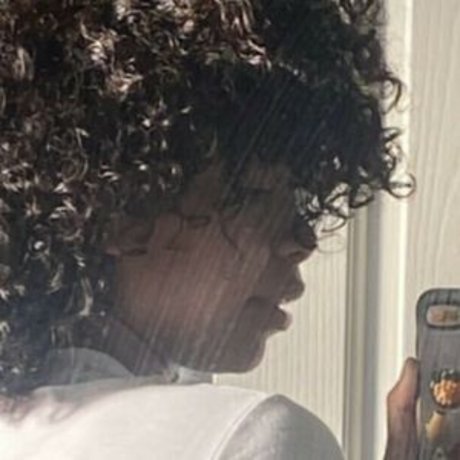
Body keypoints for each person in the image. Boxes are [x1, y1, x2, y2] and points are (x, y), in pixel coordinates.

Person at [0, 0, 418, 458]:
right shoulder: (253, 435)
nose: (302, 241)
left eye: (299, 199)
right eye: (254, 195)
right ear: (122, 214)